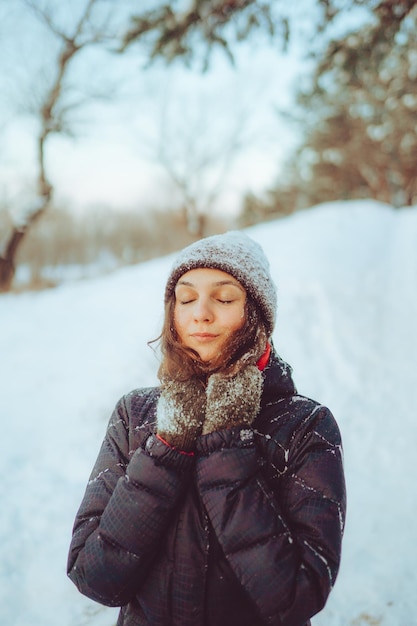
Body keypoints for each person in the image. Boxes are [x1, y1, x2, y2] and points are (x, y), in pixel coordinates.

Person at [67, 230, 347, 626]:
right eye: (186, 298)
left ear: (257, 314)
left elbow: (298, 596)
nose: (201, 312)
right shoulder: (135, 414)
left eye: (225, 298)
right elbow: (95, 578)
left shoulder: (305, 426)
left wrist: (225, 446)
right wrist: (167, 447)